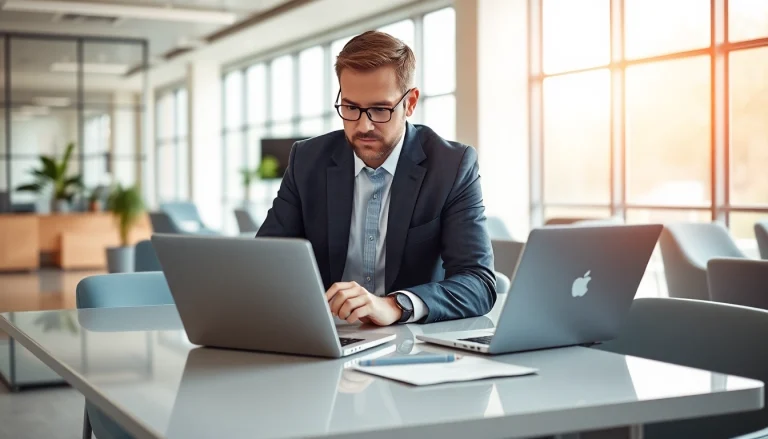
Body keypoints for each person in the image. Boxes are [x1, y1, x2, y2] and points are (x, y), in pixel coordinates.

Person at [257, 30, 496, 325]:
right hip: (324, 332)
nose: (364, 125)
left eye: (380, 109)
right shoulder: (307, 160)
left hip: (411, 343)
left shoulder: (451, 166)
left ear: (410, 103)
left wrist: (395, 305)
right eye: (351, 108)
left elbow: (479, 283)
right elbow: (265, 262)